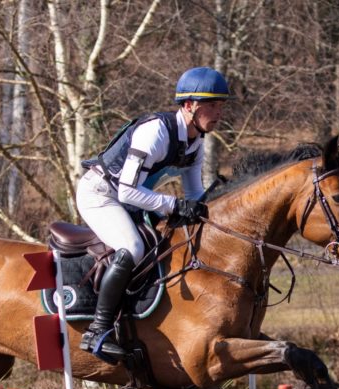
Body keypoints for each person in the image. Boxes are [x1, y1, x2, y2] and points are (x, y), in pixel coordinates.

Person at [75, 66, 229, 361]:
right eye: (211, 104)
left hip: (132, 199)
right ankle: (97, 329)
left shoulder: (196, 142)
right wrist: (174, 205)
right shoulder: (155, 132)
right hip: (101, 194)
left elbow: (194, 195)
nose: (218, 112)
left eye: (221, 105)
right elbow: (126, 191)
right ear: (189, 105)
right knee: (131, 248)